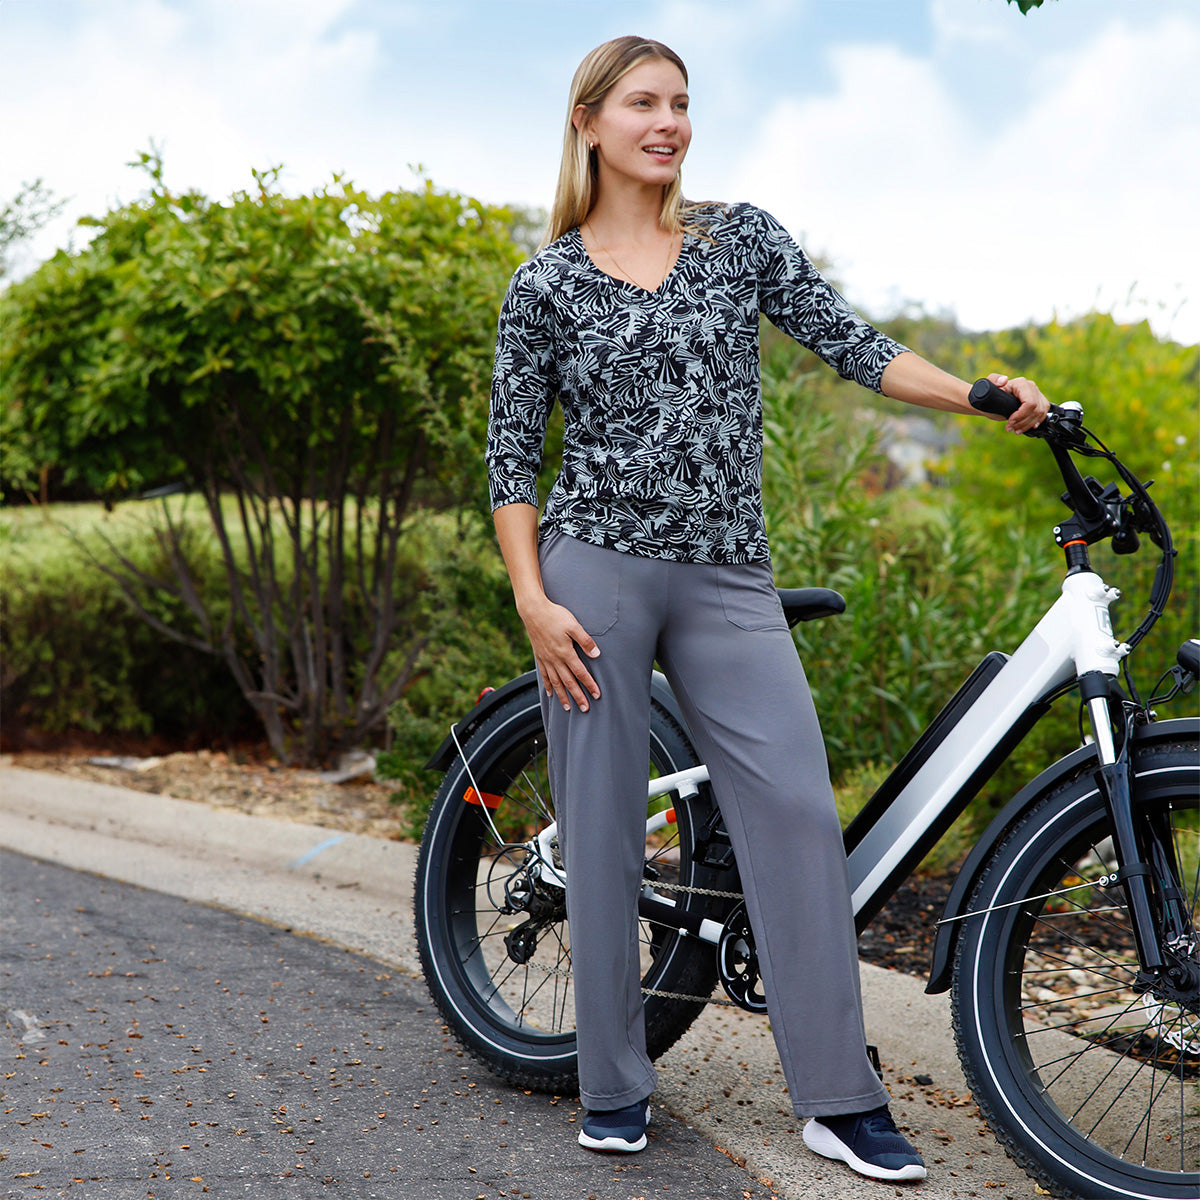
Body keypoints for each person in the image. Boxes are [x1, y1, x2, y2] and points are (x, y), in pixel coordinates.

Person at [485, 34, 1049, 1184]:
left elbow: (854, 345)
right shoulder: (543, 285)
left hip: (727, 573)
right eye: (644, 102)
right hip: (593, 574)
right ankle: (613, 1086)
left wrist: (980, 396)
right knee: (597, 829)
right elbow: (509, 465)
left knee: (793, 813)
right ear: (589, 121)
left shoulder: (739, 240)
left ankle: (838, 1100)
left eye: (682, 104)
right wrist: (534, 601)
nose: (669, 121)